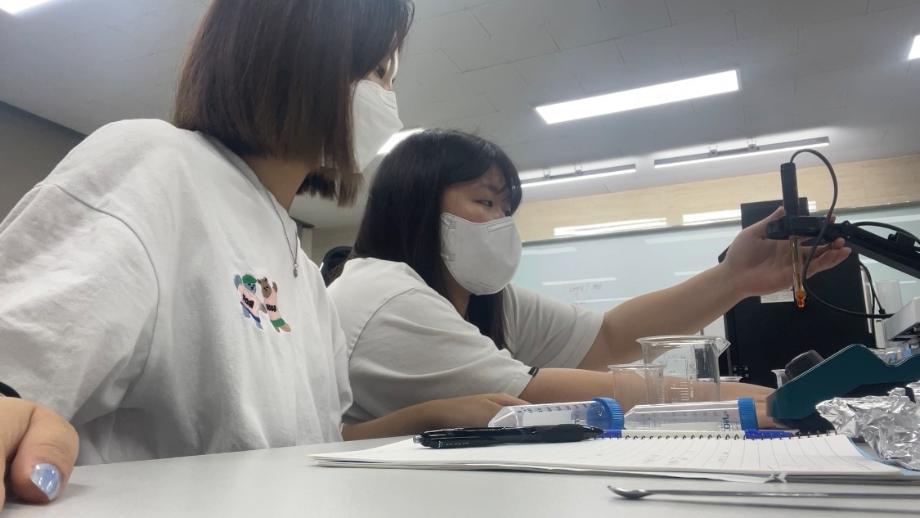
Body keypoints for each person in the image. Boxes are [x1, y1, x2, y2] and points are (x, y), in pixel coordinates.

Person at [0, 1, 526, 510]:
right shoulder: (159, 164)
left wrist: (425, 418)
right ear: (303, 52)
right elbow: (20, 365)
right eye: (379, 72)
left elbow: (304, 443)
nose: (388, 97)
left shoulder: (302, 270)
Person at [327, 129, 852, 426]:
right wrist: (774, 402)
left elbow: (607, 338)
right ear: (415, 206)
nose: (502, 222)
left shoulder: (483, 297)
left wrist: (734, 279)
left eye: (507, 208)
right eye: (485, 202)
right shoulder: (388, 297)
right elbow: (540, 395)